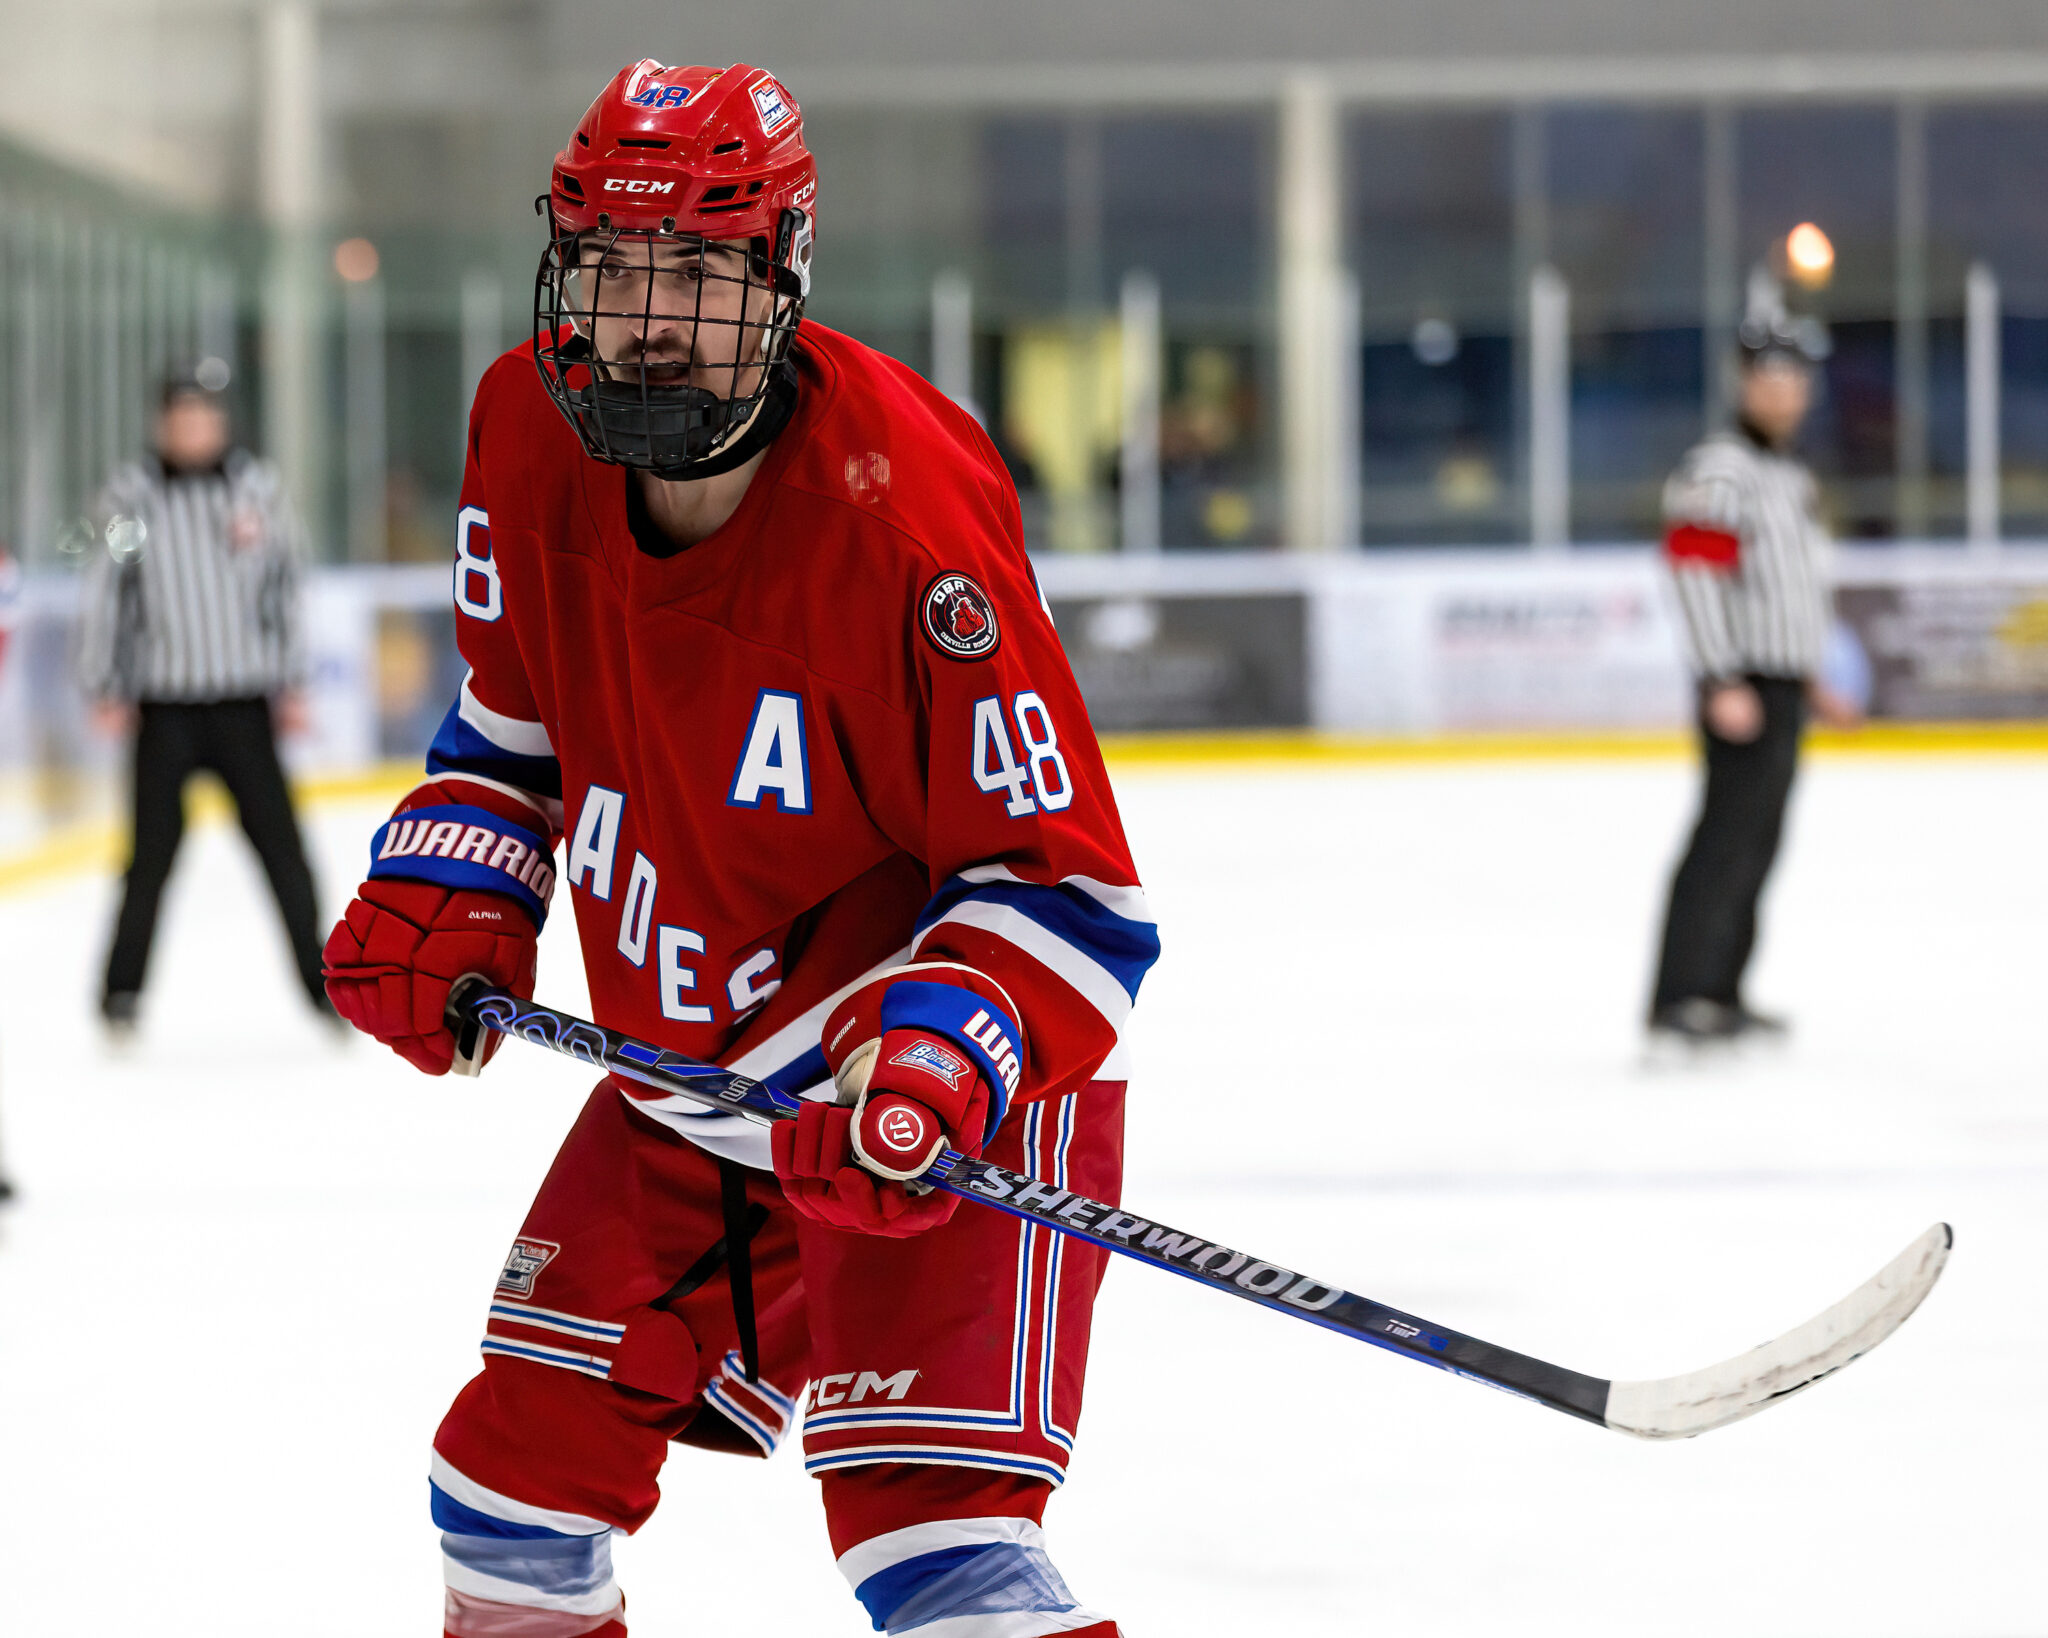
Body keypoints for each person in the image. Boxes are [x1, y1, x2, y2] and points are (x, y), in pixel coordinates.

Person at [321, 61, 1155, 1638]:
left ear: (783, 274)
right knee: (507, 1494)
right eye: (614, 266)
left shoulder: (906, 514)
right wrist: (449, 883)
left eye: (697, 272)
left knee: (934, 1546)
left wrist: (926, 1067)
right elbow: (512, 738)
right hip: (682, 1086)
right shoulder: (521, 424)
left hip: (919, 1096)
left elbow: (1070, 895)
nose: (646, 315)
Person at [75, 365, 332, 1037]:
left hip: (245, 704)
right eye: (181, 418)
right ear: (163, 424)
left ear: (221, 423)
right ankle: (120, 994)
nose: (193, 430)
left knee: (284, 852)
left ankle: (325, 986)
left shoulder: (258, 488)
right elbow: (107, 592)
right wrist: (104, 682)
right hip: (164, 709)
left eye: (204, 417)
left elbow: (285, 585)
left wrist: (294, 679)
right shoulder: (130, 495)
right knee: (150, 858)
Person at [1648, 319, 1860, 1047]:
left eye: (1795, 383)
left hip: (1781, 684)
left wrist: (1813, 679)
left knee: (1761, 841)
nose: (1784, 396)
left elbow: (1793, 590)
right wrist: (1718, 677)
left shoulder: (1791, 477)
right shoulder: (1719, 471)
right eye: (1770, 382)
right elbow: (1695, 573)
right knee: (1724, 839)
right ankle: (1680, 996)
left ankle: (1724, 989)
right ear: (1743, 385)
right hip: (1740, 685)